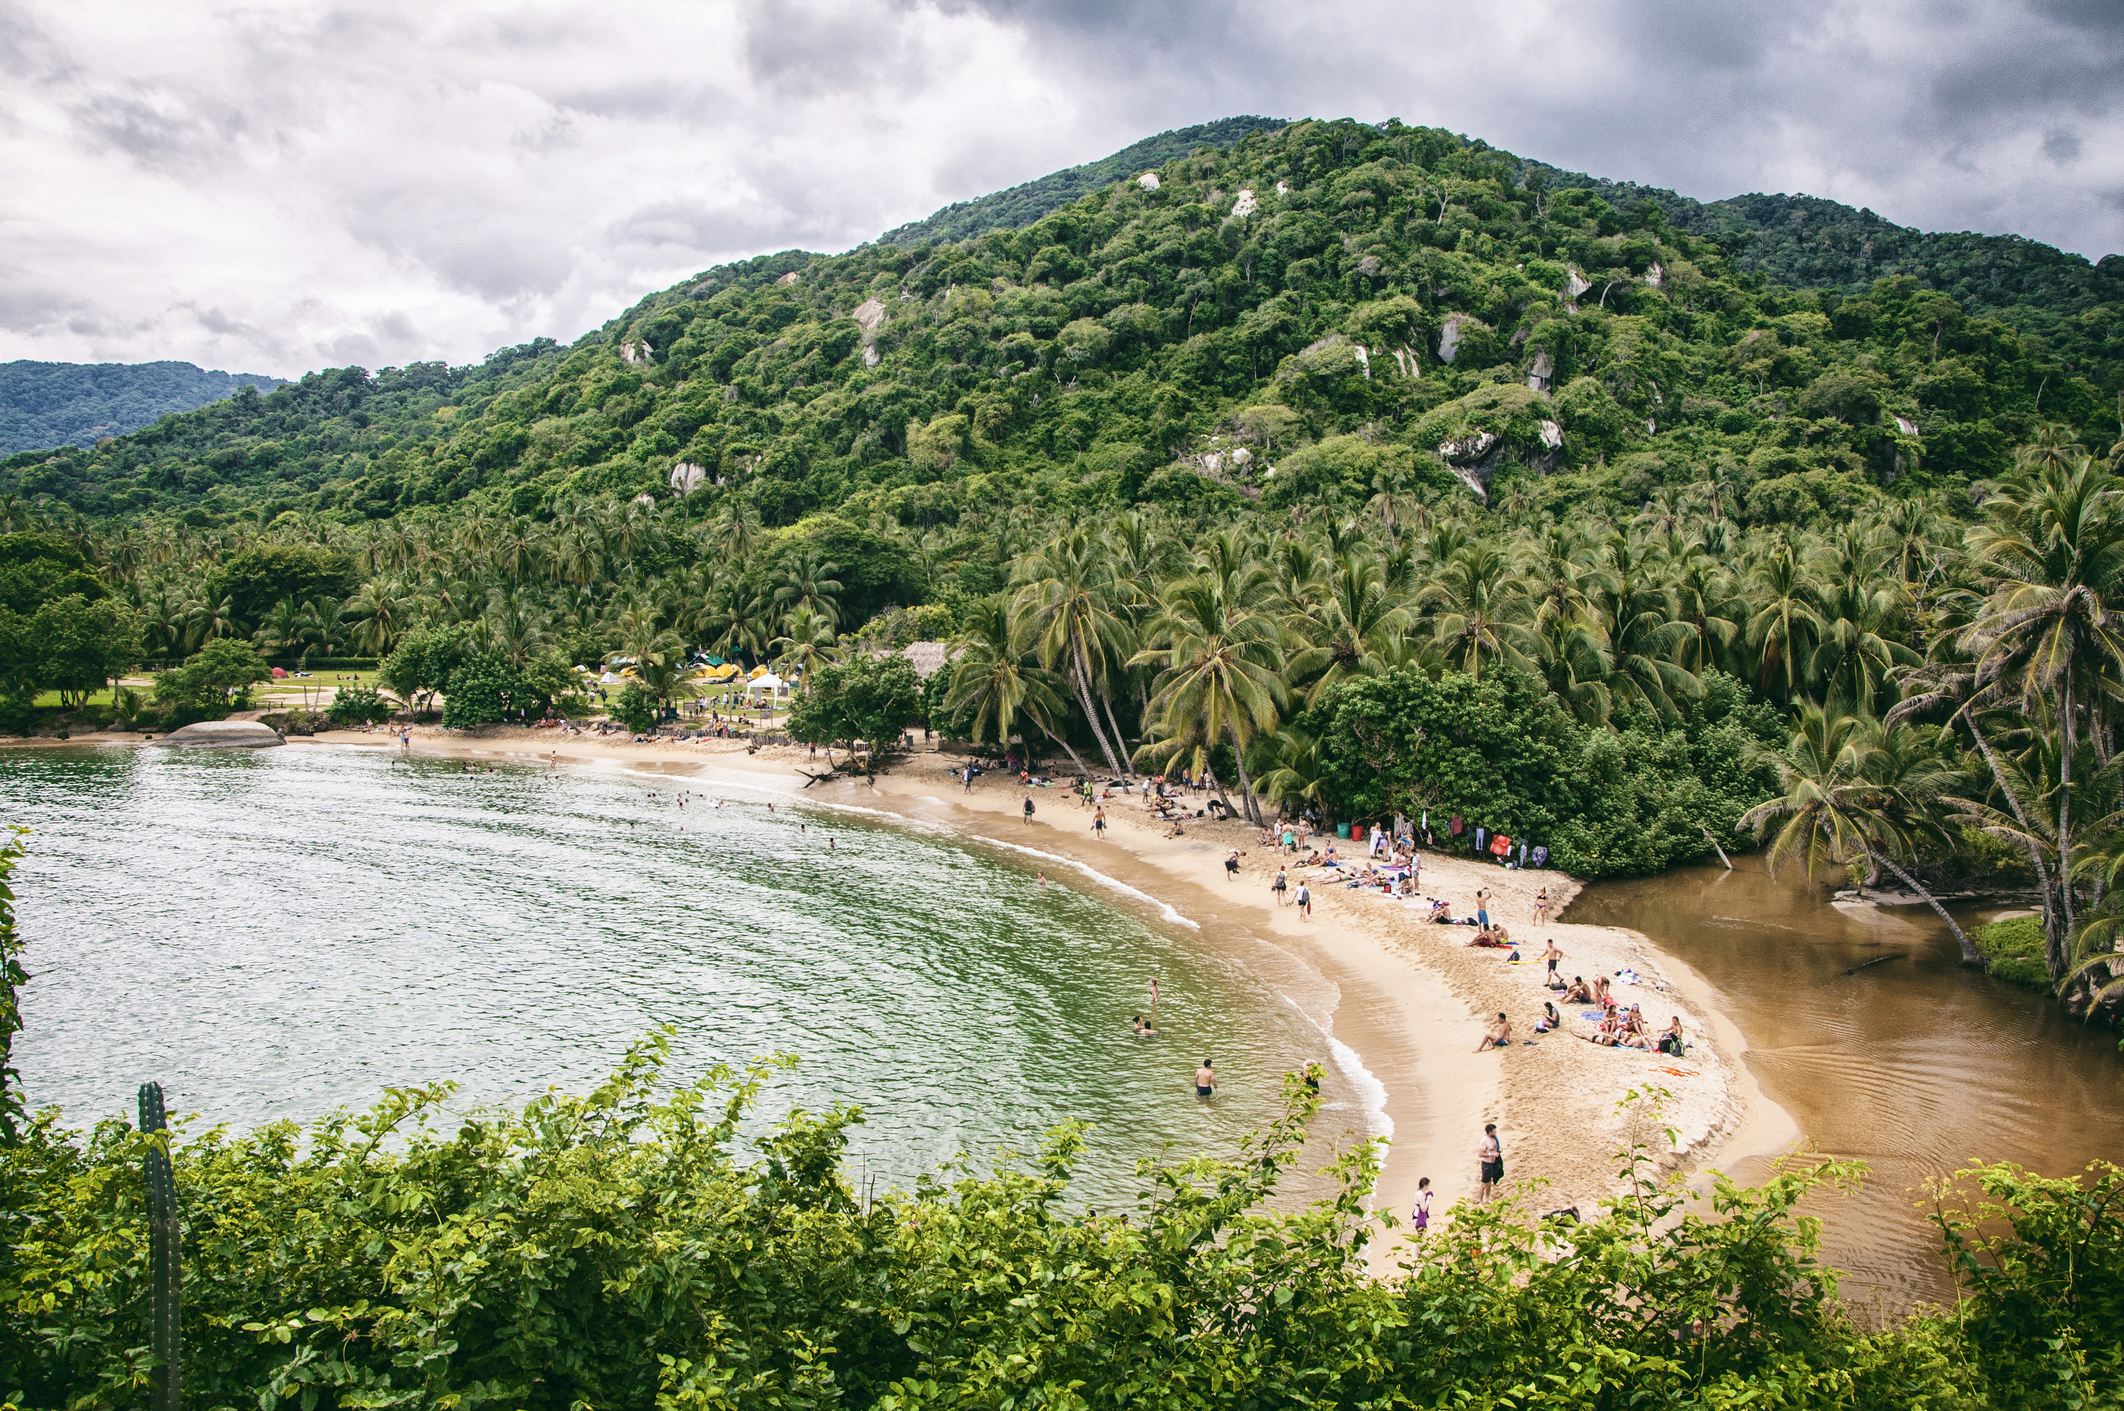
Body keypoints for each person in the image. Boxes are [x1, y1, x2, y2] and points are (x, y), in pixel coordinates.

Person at [1477, 1124, 1503, 1202]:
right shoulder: (1484, 1141)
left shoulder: (1494, 1139)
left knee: (1490, 1181)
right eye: (1494, 1131)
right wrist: (1491, 1154)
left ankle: (1487, 1198)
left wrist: (1499, 1150)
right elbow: (1480, 1154)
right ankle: (1480, 1201)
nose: (1496, 1132)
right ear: (1490, 1132)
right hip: (1487, 1164)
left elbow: (1495, 1149)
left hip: (1494, 1162)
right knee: (1484, 1183)